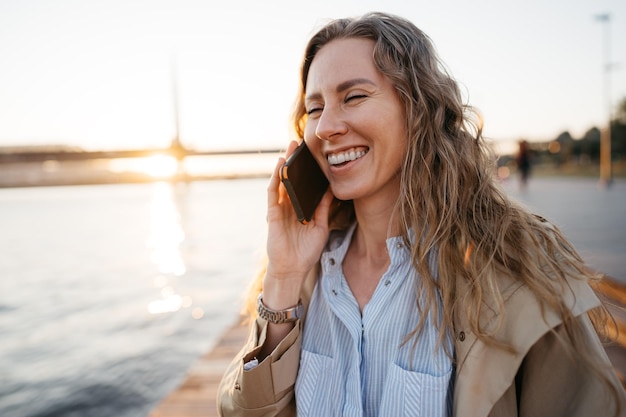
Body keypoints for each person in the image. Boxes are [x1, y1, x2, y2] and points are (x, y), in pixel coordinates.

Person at [218, 12, 625, 417]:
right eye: (314, 108)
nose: (325, 127)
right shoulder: (307, 276)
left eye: (354, 96)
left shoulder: (514, 269)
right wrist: (284, 278)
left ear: (418, 110)